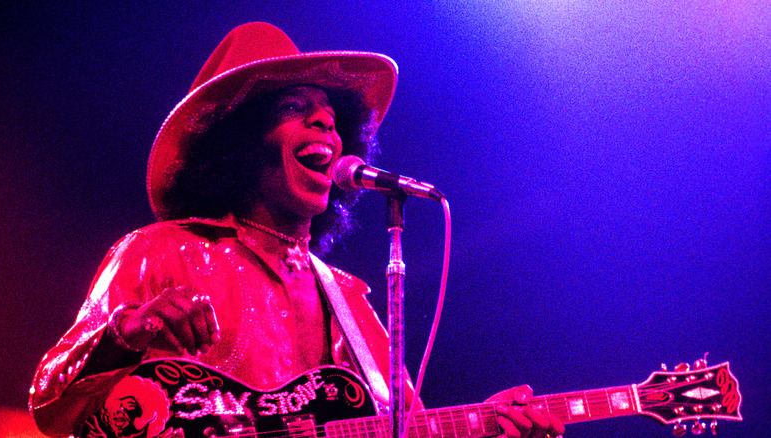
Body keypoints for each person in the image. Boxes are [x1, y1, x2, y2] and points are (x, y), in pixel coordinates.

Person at [29, 22, 565, 438]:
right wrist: (127, 332)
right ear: (239, 143)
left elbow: (406, 430)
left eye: (332, 116)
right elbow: (49, 403)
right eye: (295, 108)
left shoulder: (349, 300)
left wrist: (490, 425)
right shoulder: (159, 251)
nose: (325, 123)